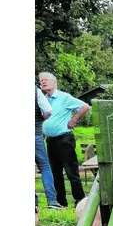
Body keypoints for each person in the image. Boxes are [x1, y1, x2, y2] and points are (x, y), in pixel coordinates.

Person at [39, 72, 90, 208]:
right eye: (41, 81)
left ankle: (79, 202)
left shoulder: (64, 97)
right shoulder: (43, 99)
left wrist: (73, 120)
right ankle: (61, 202)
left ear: (54, 82)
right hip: (50, 140)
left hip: (64, 139)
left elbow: (85, 106)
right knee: (55, 173)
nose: (43, 82)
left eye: (45, 80)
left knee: (71, 172)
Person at [35, 83, 61, 209]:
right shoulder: (35, 91)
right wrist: (41, 118)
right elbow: (48, 111)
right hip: (35, 134)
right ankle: (51, 201)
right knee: (44, 166)